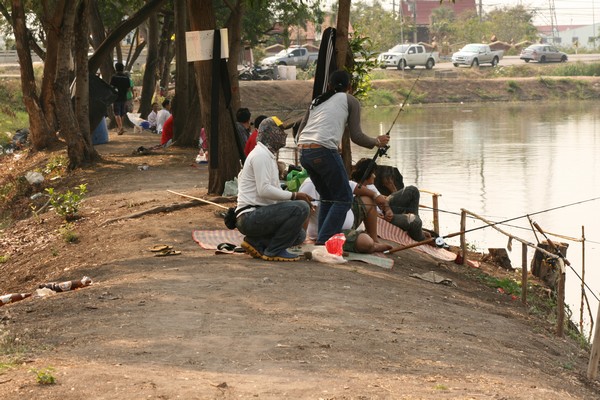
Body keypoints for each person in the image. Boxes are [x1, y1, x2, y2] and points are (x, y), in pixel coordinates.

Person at [297, 70, 390, 246]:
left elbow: (300, 133)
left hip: (304, 152)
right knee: (344, 198)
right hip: (324, 150)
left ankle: (321, 240)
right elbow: (357, 136)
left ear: (329, 86)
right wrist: (377, 141)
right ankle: (325, 241)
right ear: (350, 87)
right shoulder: (350, 100)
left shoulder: (316, 102)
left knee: (327, 196)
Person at [235, 117, 313, 262]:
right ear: (270, 133)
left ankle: (257, 242)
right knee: (301, 208)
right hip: (250, 217)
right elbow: (264, 190)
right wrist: (295, 196)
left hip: (258, 215)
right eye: (280, 131)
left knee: (299, 235)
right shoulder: (260, 155)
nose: (283, 135)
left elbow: (273, 194)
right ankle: (274, 251)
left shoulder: (268, 155)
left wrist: (293, 198)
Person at [299, 177, 392, 254]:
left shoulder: (336, 177)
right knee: (366, 243)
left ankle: (374, 239)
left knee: (369, 200)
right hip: (332, 233)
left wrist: (377, 197)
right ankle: (371, 245)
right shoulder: (311, 184)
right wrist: (303, 239)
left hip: (350, 219)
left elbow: (355, 187)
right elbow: (306, 213)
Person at [351, 158, 430, 243]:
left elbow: (381, 199)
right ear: (366, 175)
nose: (375, 176)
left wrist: (387, 208)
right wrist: (375, 213)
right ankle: (421, 237)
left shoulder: (370, 185)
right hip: (382, 218)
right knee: (415, 221)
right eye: (372, 173)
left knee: (412, 190)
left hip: (385, 209)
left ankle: (415, 231)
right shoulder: (354, 188)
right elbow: (361, 210)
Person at [109, 62, 131, 135]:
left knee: (116, 113)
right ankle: (120, 127)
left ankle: (120, 127)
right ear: (123, 68)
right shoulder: (126, 77)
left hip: (116, 97)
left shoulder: (114, 77)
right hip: (124, 97)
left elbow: (111, 87)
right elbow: (128, 88)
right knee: (122, 113)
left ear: (116, 68)